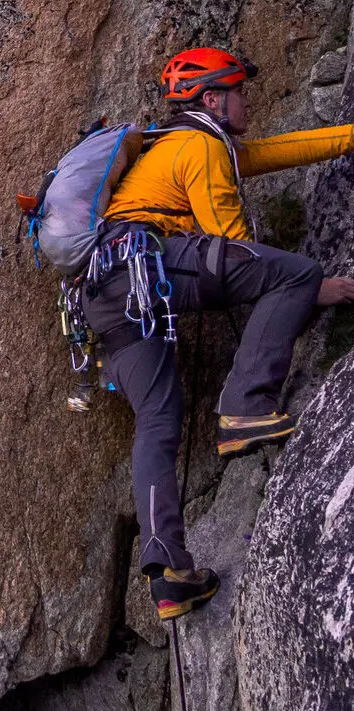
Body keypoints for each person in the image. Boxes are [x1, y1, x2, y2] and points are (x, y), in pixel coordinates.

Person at [82, 48, 354, 621]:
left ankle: (169, 575)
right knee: (296, 272)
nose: (247, 101)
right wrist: (311, 285)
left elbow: (275, 151)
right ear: (212, 99)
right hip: (148, 263)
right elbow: (233, 246)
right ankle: (245, 406)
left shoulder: (180, 145)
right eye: (239, 92)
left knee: (157, 420)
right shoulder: (200, 146)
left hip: (103, 291)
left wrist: (348, 137)